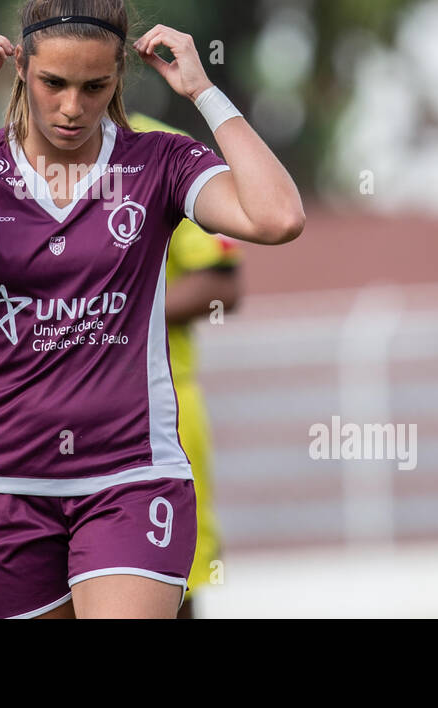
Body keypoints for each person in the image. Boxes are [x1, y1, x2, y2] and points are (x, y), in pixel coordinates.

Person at [0, 0, 304, 619]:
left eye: (94, 87)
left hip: (131, 478)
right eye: (53, 84)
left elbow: (278, 217)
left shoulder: (161, 161)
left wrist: (203, 93)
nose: (72, 107)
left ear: (119, 75)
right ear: (21, 69)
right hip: (0, 485)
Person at [127, 111, 242, 619]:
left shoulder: (162, 151)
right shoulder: (5, 160)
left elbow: (221, 282)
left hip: (155, 423)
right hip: (38, 436)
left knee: (169, 596)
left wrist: (109, 311)